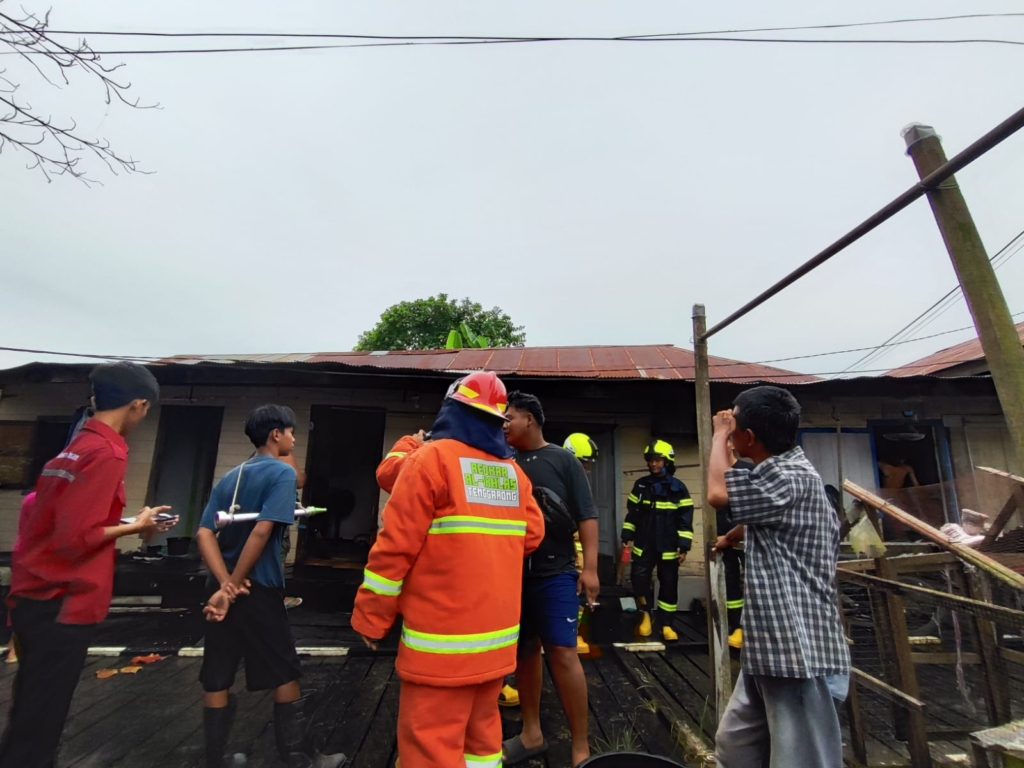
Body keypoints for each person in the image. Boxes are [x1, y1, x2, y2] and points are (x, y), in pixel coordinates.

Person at [352, 372, 545, 768]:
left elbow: (394, 549)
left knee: (430, 749)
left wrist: (371, 618)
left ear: (451, 410)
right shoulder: (513, 473)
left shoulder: (430, 459)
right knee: (482, 746)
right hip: (495, 647)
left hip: (440, 648)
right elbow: (532, 536)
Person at [0, 362, 177, 768]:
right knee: (42, 722)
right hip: (63, 599)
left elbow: (54, 516)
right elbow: (77, 538)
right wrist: (138, 527)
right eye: (146, 409)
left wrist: (131, 522)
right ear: (138, 404)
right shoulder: (108, 453)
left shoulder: (75, 447)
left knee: (30, 710)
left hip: (34, 591)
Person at [706, 386, 850, 767]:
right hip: (769, 646)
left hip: (796, 647)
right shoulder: (781, 474)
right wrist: (731, 537)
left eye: (735, 426)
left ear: (749, 437)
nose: (730, 431)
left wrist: (718, 436)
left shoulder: (788, 477)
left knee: (799, 758)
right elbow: (761, 513)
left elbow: (718, 494)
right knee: (735, 745)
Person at [197, 405, 345, 768]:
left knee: (217, 673)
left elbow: (204, 533)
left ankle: (214, 760)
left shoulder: (231, 475)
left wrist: (223, 585)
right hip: (258, 588)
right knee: (284, 669)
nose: (294, 439)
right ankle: (299, 760)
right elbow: (263, 531)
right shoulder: (281, 472)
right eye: (291, 432)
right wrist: (233, 585)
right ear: (275, 434)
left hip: (219, 591)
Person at [502, 393, 599, 768]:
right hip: (512, 575)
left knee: (562, 652)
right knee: (524, 652)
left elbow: (587, 515)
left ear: (529, 418)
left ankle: (581, 746)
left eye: (509, 417)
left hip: (556, 572)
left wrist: (590, 569)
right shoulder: (502, 460)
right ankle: (532, 733)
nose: (504, 425)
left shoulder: (563, 459)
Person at [620, 440, 693, 642]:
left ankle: (666, 623)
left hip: (669, 547)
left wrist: (683, 546)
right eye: (651, 460)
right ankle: (645, 614)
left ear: (667, 461)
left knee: (669, 584)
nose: (653, 464)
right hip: (644, 545)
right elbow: (632, 515)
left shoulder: (678, 488)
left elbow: (685, 519)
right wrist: (627, 536)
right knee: (638, 579)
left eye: (658, 460)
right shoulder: (641, 485)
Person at [712, 439, 754, 649]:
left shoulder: (748, 470)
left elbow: (754, 511)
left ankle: (751, 629)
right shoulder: (716, 472)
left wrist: (731, 536)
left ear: (733, 444)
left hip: (747, 538)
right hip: (723, 540)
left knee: (752, 582)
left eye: (727, 440)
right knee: (730, 582)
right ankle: (736, 627)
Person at [561, 432, 601, 655]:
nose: (587, 468)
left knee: (579, 594)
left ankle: (574, 633)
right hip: (560, 552)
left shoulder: (579, 484)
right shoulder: (559, 482)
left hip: (578, 554)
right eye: (583, 462)